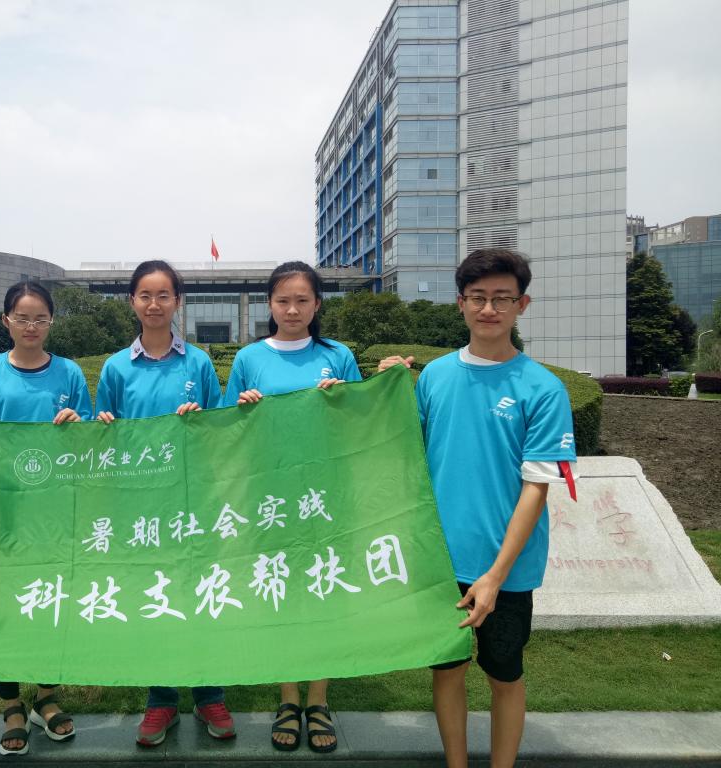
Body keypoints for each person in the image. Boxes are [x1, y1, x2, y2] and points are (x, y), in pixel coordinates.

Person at [378, 248, 578, 768]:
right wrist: (383, 388)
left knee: (504, 673)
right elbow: (407, 452)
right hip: (440, 559)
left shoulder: (543, 388)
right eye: (478, 298)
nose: (489, 309)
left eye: (502, 299)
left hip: (507, 568)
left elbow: (536, 490)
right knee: (446, 671)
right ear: (461, 303)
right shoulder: (435, 377)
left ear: (521, 305)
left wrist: (494, 576)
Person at [222, 260, 361, 754]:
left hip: (325, 493)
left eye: (303, 300)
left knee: (323, 590)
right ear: (270, 304)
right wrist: (243, 409)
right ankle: (287, 697)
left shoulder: (338, 356)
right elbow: (226, 429)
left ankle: (318, 699)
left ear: (317, 304)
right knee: (278, 588)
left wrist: (344, 401)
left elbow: (361, 422)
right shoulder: (250, 358)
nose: (293, 309)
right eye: (283, 300)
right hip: (271, 497)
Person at [95, 260, 233, 747]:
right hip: (140, 506)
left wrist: (201, 421)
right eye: (145, 295)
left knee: (200, 594)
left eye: (163, 295)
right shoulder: (116, 367)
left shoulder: (198, 363)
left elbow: (220, 430)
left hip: (193, 500)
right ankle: (161, 700)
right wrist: (104, 426)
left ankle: (209, 693)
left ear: (177, 301)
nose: (154, 304)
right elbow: (100, 438)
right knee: (153, 596)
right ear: (132, 301)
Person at [0, 279, 92, 756]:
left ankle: (47, 696)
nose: (31, 326)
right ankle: (11, 704)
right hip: (2, 509)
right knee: (6, 605)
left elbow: (89, 436)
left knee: (54, 599)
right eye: (22, 317)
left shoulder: (69, 374)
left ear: (51, 322)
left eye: (40, 318)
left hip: (56, 510)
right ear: (7, 321)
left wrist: (78, 423)